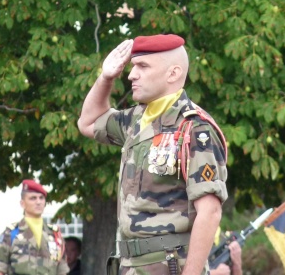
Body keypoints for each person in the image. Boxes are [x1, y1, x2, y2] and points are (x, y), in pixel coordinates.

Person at [77, 34, 228, 275]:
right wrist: (106, 78)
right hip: (129, 265)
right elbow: (88, 123)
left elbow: (210, 212)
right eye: (133, 66)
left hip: (169, 265)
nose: (131, 75)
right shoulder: (137, 119)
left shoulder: (194, 128)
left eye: (143, 66)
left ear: (173, 73)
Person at [0, 179, 69, 275]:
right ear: (22, 203)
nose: (38, 202)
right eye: (33, 198)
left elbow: (62, 269)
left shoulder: (54, 235)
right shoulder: (11, 234)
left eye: (41, 198)